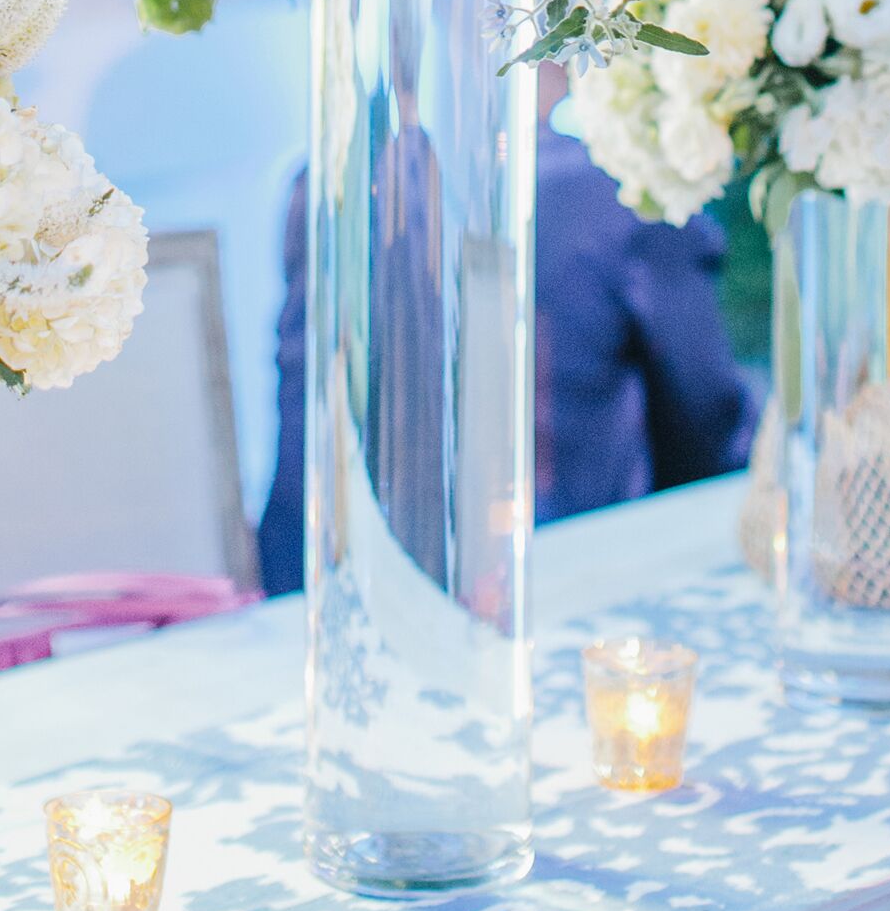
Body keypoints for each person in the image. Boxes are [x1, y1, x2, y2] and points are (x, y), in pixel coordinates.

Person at [257, 60, 758, 596]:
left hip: (322, 582)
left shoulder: (329, 180)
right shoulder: (622, 195)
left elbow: (302, 427)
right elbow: (708, 429)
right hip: (561, 581)